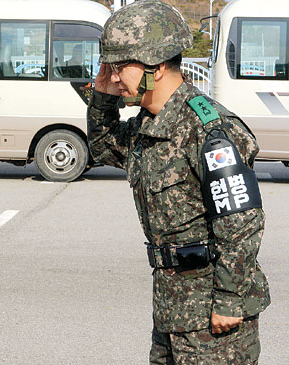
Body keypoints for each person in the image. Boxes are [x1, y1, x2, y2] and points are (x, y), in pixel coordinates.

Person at [88, 1, 270, 364]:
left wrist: (231, 301)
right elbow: (104, 148)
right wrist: (102, 97)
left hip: (215, 318)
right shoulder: (149, 125)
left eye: (120, 65)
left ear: (154, 65)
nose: (112, 74)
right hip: (174, 306)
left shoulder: (209, 129)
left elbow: (240, 224)